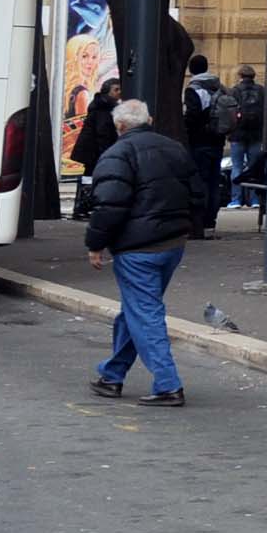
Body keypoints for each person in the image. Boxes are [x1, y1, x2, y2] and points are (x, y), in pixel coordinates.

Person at [81, 98, 199, 407]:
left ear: (119, 126)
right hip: (172, 243)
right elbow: (196, 192)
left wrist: (95, 244)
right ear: (150, 119)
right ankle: (112, 375)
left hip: (137, 248)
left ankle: (168, 385)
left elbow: (108, 205)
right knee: (136, 310)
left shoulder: (117, 154)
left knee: (144, 313)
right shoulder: (173, 148)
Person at [69, 77, 126, 217]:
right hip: (95, 151)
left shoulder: (103, 105)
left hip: (93, 151)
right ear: (108, 91)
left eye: (120, 89)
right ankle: (84, 206)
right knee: (91, 177)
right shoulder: (104, 107)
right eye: (116, 89)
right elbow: (102, 133)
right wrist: (106, 153)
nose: (119, 92)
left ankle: (85, 206)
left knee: (90, 176)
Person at [179, 57, 223, 235]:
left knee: (201, 182)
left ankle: (200, 221)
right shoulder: (219, 87)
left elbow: (192, 116)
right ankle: (211, 222)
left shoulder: (194, 90)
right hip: (217, 141)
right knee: (214, 182)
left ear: (191, 69)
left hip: (199, 141)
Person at [223, 64, 267, 208]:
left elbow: (230, 113)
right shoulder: (261, 91)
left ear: (240, 76)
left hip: (237, 135)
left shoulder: (234, 91)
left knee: (236, 167)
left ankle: (236, 200)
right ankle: (254, 200)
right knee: (253, 168)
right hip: (256, 135)